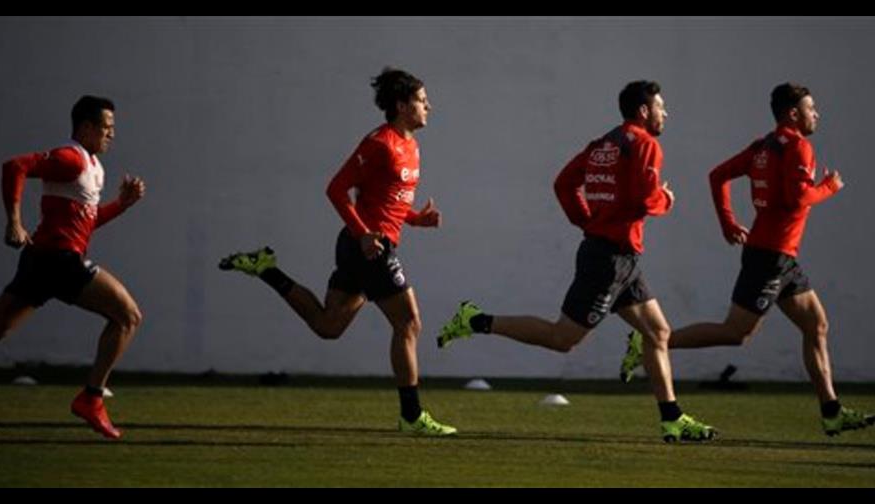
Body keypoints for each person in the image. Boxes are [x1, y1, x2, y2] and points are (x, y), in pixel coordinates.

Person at [437, 81, 715, 443]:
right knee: (563, 338)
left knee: (658, 332)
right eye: (661, 106)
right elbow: (645, 199)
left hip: (620, 258)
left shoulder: (603, 145)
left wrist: (585, 220)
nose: (666, 113)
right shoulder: (645, 144)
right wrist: (666, 199)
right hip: (609, 260)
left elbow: (564, 184)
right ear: (644, 111)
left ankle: (672, 420)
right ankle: (476, 319)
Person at [618, 82, 874, 437]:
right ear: (793, 114)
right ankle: (650, 340)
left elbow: (718, 176)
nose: (817, 114)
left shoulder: (763, 147)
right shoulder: (799, 147)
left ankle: (831, 412)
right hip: (770, 258)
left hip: (781, 257)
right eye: (811, 108)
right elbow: (797, 198)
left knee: (816, 325)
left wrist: (727, 222)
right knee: (736, 333)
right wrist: (829, 187)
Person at [219, 67, 456, 436]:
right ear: (401, 105)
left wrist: (413, 219)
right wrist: (363, 235)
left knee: (328, 326)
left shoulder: (411, 145)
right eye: (423, 101)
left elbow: (384, 199)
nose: (430, 106)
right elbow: (336, 189)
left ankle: (267, 270)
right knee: (409, 323)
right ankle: (411, 416)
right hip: (367, 247)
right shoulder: (379, 143)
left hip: (367, 245)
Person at [0, 95, 145, 439]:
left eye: (113, 128)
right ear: (86, 127)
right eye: (106, 127)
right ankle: (91, 398)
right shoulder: (70, 158)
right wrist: (14, 221)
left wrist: (121, 205)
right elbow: (15, 166)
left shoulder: (92, 166)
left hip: (41, 260)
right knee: (128, 316)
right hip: (58, 260)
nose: (112, 134)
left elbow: (85, 221)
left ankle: (91, 398)